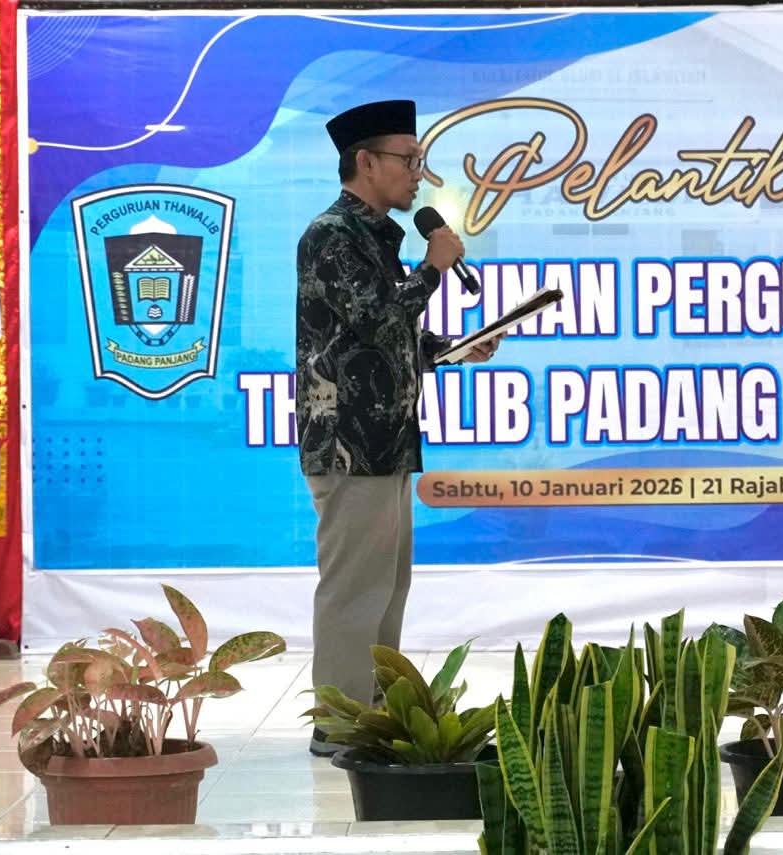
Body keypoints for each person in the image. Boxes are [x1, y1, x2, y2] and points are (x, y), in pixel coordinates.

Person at [295, 99, 500, 756]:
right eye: (409, 160)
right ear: (366, 162)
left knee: (387, 586)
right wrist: (434, 267)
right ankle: (338, 721)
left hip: (386, 441)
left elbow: (384, 339)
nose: (419, 174)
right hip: (347, 442)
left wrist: (452, 348)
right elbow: (376, 317)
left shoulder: (378, 238)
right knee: (354, 588)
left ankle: (375, 711)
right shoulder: (331, 235)